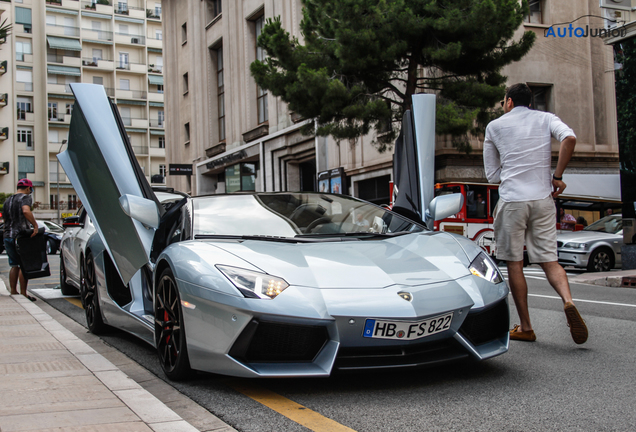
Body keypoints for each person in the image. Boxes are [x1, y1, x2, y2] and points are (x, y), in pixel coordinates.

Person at [483, 83, 588, 344]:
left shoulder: (495, 126)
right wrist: (557, 176)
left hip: (513, 200)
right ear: (529, 102)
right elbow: (570, 138)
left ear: (508, 102)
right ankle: (568, 301)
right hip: (543, 199)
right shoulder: (546, 119)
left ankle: (527, 327)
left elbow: (492, 175)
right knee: (549, 260)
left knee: (515, 263)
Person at [3, 179, 39, 301]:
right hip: (21, 236)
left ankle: (13, 291)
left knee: (14, 265)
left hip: (7, 235)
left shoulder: (8, 200)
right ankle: (23, 294)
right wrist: (35, 225)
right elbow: (25, 211)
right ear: (28, 188)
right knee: (24, 265)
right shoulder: (25, 198)